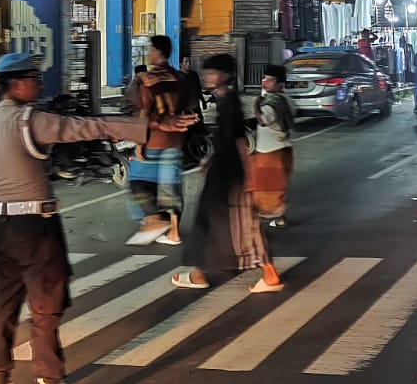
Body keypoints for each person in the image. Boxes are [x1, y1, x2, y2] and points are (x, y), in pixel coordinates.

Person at [0, 52, 193, 384]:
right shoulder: (31, 121)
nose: (40, 85)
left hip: (5, 232)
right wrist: (154, 127)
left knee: (1, 311)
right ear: (16, 85)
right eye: (34, 79)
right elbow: (92, 127)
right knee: (45, 312)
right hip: (38, 230)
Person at [174, 53, 284, 292]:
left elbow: (236, 139)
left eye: (213, 72)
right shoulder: (224, 98)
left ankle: (269, 273)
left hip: (230, 176)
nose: (207, 76)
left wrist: (248, 173)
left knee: (240, 224)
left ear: (225, 75)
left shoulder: (229, 100)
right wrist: (211, 159)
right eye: (207, 72)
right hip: (224, 171)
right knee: (217, 223)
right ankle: (200, 272)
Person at [124, 36, 192, 247]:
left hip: (153, 139)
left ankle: (153, 220)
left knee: (138, 182)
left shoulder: (147, 80)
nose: (149, 53)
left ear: (156, 51)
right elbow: (190, 106)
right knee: (170, 187)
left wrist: (138, 142)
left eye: (150, 49)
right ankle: (174, 232)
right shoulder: (181, 78)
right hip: (176, 139)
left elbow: (144, 112)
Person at [250, 64, 294, 228]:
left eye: (270, 80)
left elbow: (262, 119)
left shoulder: (271, 104)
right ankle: (280, 218)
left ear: (280, 84)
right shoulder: (286, 100)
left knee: (266, 188)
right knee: (279, 186)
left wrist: (256, 104)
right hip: (284, 148)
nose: (265, 83)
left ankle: (264, 218)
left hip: (269, 151)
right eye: (265, 79)